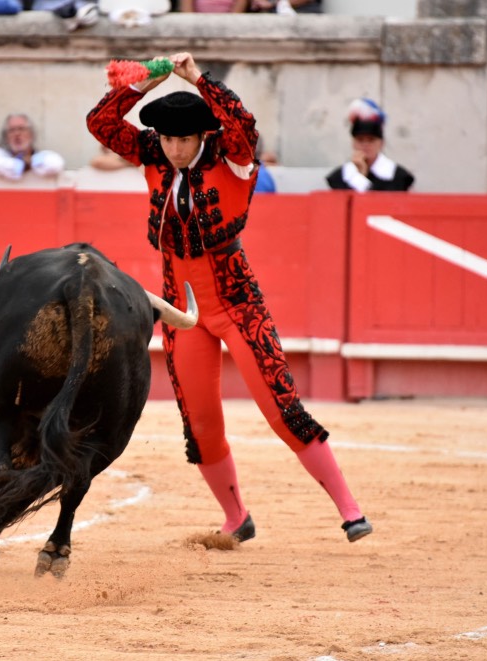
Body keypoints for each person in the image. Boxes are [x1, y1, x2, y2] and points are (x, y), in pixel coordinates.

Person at [87, 52, 372, 544]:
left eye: (184, 139)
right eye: (168, 138)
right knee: (199, 425)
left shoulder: (232, 158)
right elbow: (102, 123)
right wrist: (147, 82)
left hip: (238, 303)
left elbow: (243, 124)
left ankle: (350, 510)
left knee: (282, 409)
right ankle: (236, 517)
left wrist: (197, 78)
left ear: (202, 136)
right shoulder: (153, 153)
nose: (174, 149)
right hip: (181, 310)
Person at [326, 98, 415, 192]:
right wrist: (360, 175)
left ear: (381, 143)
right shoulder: (339, 177)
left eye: (371, 140)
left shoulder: (399, 176)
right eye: (360, 140)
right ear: (353, 143)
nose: (365, 145)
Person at [0, 113, 65, 181]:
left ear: (31, 134)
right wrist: (22, 164)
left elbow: (56, 164)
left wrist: (31, 161)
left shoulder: (43, 155)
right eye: (12, 130)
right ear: (6, 137)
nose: (17, 134)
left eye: (21, 129)